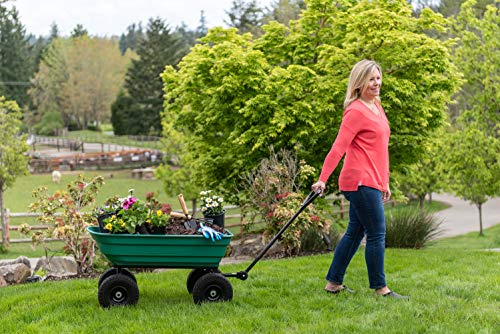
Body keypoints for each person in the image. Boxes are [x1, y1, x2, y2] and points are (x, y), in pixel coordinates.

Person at [311, 59, 408, 300]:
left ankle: (333, 283)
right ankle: (380, 288)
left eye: (378, 78)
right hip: (358, 181)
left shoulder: (376, 105)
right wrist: (322, 179)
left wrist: (384, 181)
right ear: (359, 82)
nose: (376, 83)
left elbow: (380, 149)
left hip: (372, 180)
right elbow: (338, 148)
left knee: (355, 231)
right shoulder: (355, 111)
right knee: (377, 232)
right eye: (371, 79)